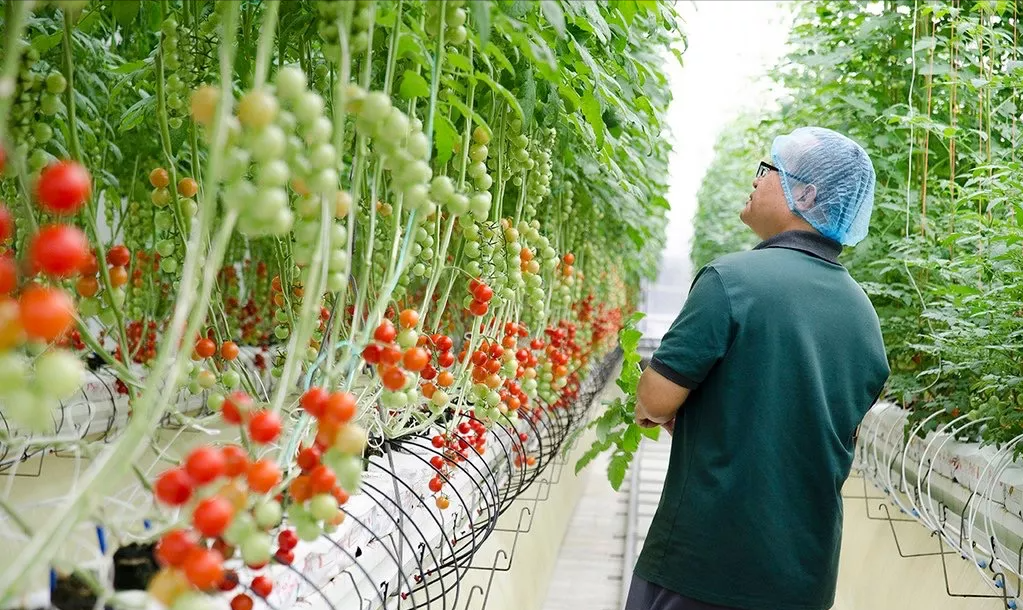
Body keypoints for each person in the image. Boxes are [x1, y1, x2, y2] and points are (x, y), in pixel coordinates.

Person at [626, 127, 890, 610]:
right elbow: (825, 436)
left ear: (806, 193)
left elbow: (656, 399)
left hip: (703, 567)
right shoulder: (863, 315)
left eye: (767, 169)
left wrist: (654, 395)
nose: (755, 178)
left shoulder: (731, 281)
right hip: (803, 581)